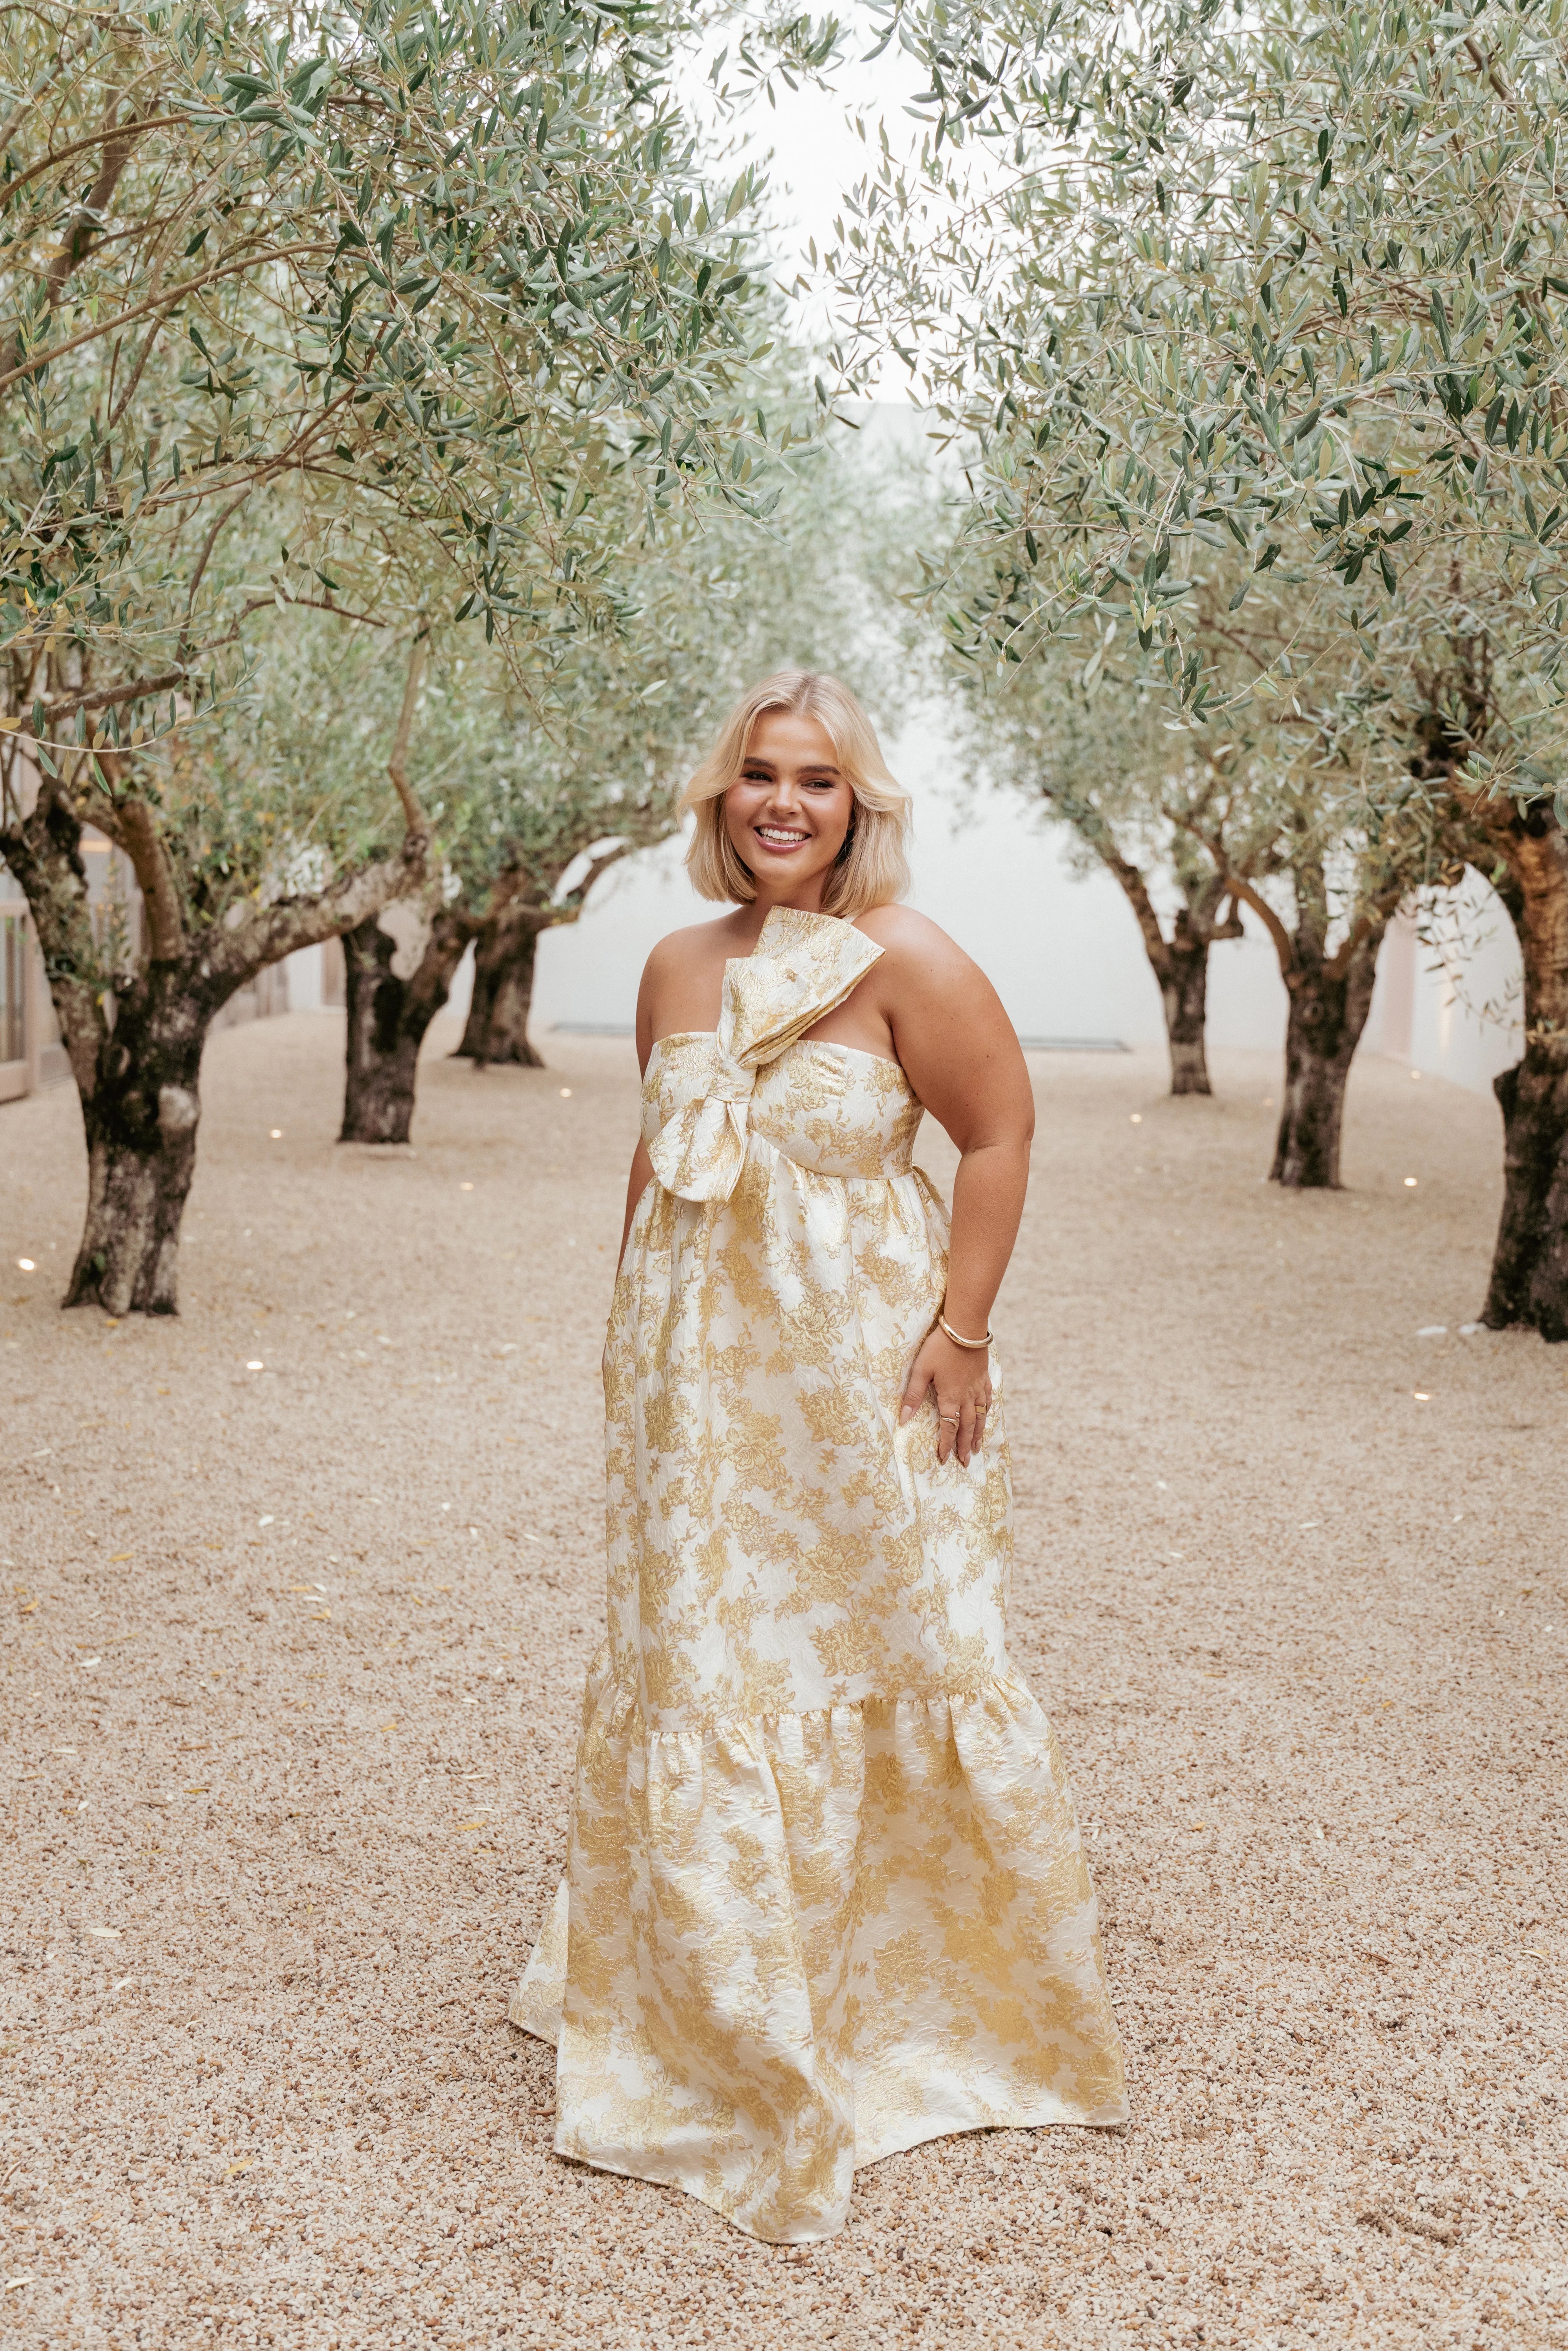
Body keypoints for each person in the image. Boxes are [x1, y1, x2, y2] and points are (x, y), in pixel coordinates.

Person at [511, 671, 1126, 2241]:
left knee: (896, 1638)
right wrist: (626, 1340)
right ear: (720, 797)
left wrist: (963, 1329)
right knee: (703, 1667)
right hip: (699, 1392)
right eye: (759, 775)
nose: (783, 802)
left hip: (859, 1380)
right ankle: (716, 2009)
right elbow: (662, 1157)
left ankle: (915, 1999)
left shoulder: (907, 957)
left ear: (859, 808)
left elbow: (998, 1135)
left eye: (817, 780)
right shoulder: (672, 964)